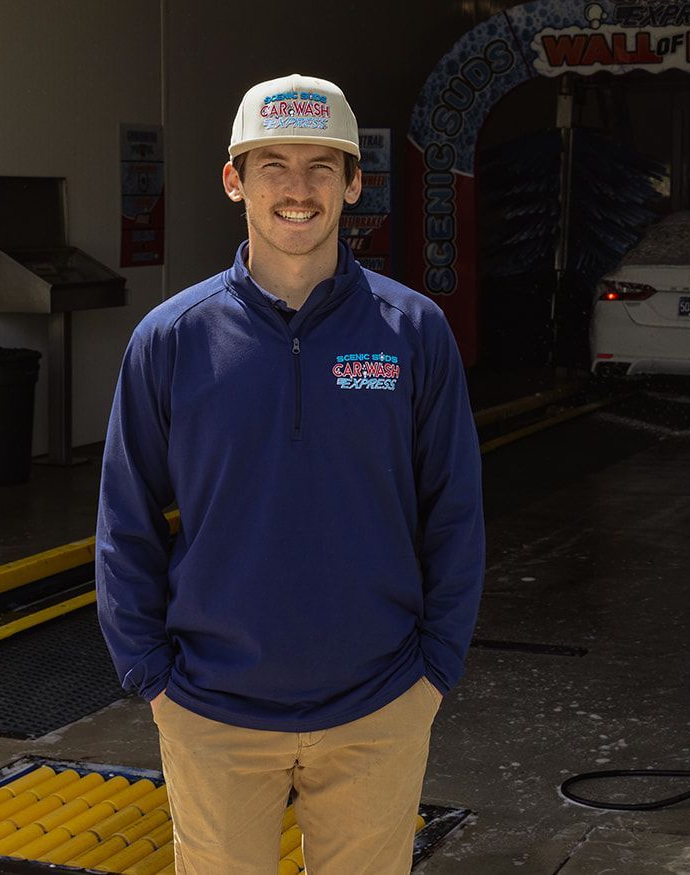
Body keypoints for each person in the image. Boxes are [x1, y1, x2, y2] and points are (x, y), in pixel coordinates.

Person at [95, 73, 484, 874]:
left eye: (320, 166)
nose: (297, 189)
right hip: (212, 713)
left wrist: (434, 671)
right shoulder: (170, 340)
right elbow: (124, 521)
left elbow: (455, 511)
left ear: (354, 183)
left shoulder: (413, 332)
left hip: (379, 707)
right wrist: (152, 678)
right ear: (234, 178)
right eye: (272, 164)